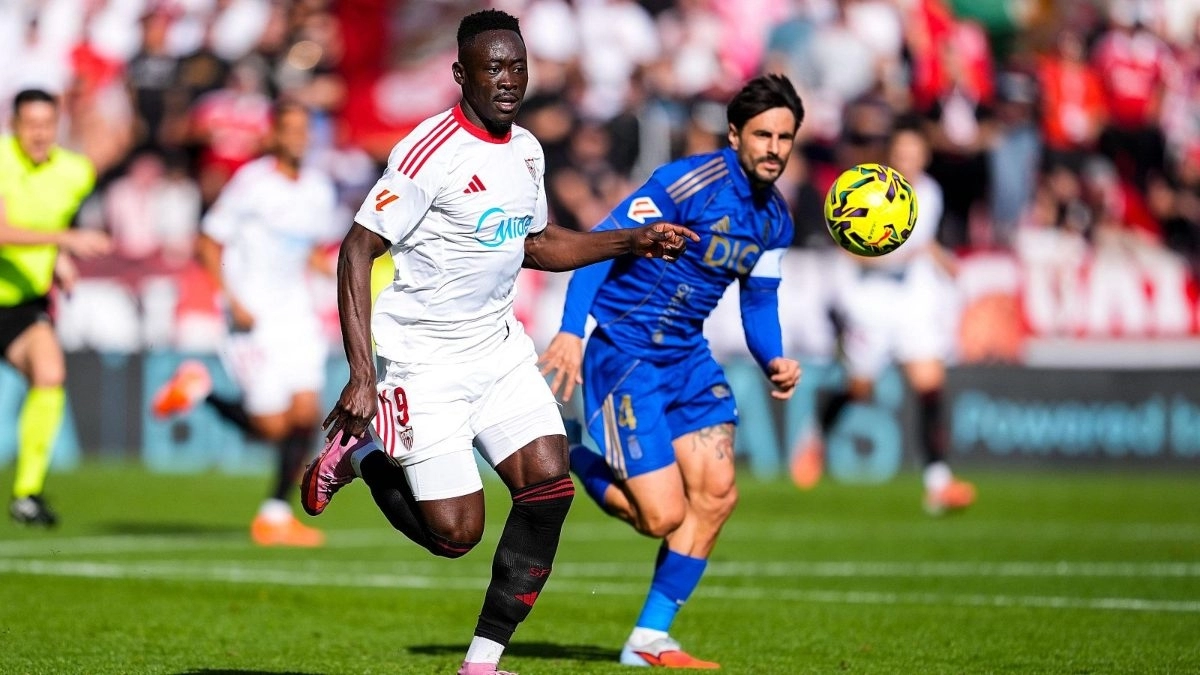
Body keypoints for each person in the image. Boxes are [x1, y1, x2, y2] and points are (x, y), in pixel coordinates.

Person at [299, 10, 697, 675]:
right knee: (455, 536)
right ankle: (363, 452)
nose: (507, 79)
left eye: (516, 65)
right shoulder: (429, 152)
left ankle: (481, 663)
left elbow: (536, 244)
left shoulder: (527, 150)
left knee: (549, 488)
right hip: (422, 361)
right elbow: (357, 248)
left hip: (499, 349)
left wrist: (632, 239)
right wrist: (363, 376)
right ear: (461, 75)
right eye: (492, 67)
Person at [537, 74, 805, 669]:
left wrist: (774, 358)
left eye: (785, 137)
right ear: (735, 134)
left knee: (717, 495)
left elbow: (758, 302)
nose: (774, 148)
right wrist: (571, 332)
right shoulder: (687, 183)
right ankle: (573, 453)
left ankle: (649, 640)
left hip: (687, 358)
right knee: (661, 517)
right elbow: (603, 243)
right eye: (763, 134)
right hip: (624, 355)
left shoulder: (775, 220)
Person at [152, 101, 341, 547]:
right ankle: (200, 391)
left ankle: (274, 515)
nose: (297, 137)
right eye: (289, 129)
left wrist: (333, 276)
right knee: (271, 427)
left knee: (305, 414)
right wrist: (232, 298)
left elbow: (308, 250)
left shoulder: (318, 189)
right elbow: (207, 242)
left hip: (295, 313)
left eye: (303, 129)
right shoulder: (252, 184)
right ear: (274, 135)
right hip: (251, 316)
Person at [792, 126, 976, 515]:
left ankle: (938, 483)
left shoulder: (930, 192)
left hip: (913, 302)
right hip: (871, 303)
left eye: (915, 153)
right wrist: (895, 255)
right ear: (891, 154)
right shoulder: (867, 187)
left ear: (924, 157)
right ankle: (816, 437)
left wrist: (940, 260)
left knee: (930, 388)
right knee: (860, 389)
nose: (908, 160)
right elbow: (850, 248)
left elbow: (924, 243)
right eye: (902, 152)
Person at [0, 88, 110, 526]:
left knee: (50, 373)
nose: (39, 134)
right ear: (15, 125)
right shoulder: (2, 160)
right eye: (31, 125)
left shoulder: (75, 172)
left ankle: (26, 493)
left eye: (47, 125)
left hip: (22, 303)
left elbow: (54, 218)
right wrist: (65, 243)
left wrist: (59, 260)